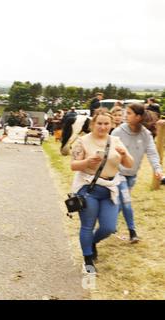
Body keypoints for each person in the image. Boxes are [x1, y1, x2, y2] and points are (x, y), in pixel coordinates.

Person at [70, 108, 133, 273]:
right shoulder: (82, 141)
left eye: (106, 124)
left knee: (109, 227)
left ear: (111, 124)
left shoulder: (116, 141)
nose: (103, 127)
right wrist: (87, 163)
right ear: (93, 124)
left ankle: (91, 243)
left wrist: (125, 155)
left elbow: (129, 164)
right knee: (87, 226)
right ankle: (88, 261)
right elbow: (73, 165)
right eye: (99, 123)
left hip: (110, 189)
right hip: (88, 189)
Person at [111, 103, 163, 243]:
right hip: (118, 173)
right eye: (125, 113)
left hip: (132, 175)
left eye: (128, 113)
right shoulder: (118, 132)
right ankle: (132, 232)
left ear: (138, 117)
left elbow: (152, 153)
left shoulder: (145, 134)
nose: (124, 116)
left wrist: (157, 169)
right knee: (126, 201)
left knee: (121, 203)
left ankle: (109, 224)